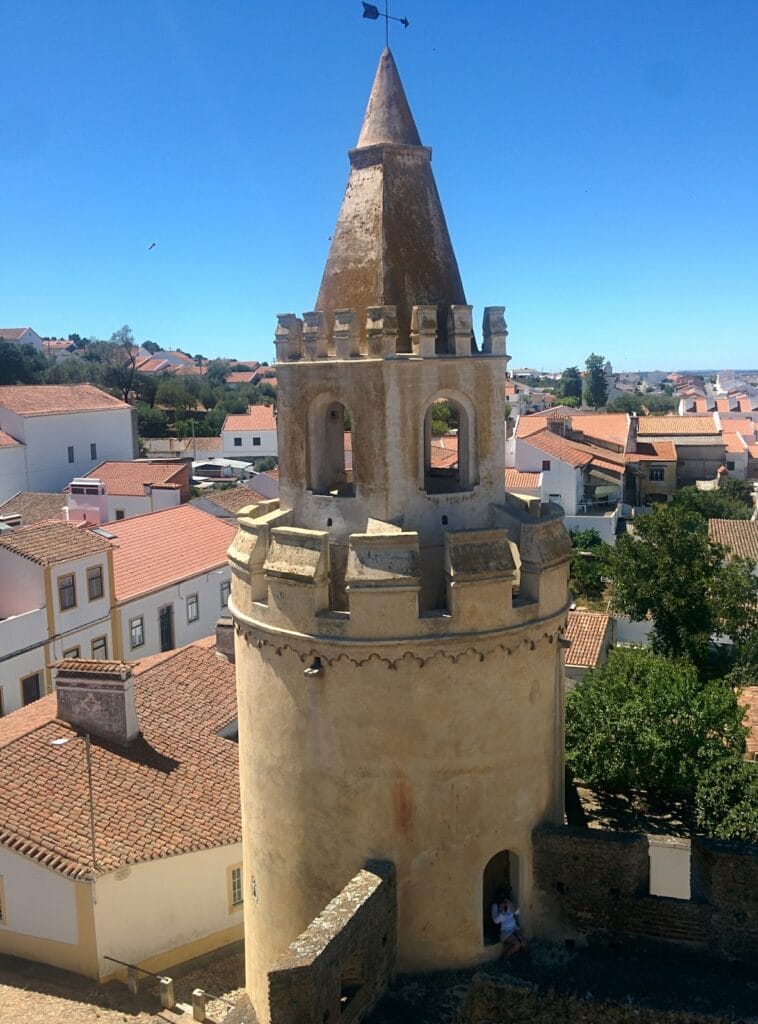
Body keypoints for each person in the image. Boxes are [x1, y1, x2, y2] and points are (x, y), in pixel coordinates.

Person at [491, 888, 526, 959]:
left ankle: (521, 958)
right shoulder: (495, 905)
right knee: (517, 944)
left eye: (505, 896)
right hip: (505, 932)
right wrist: (502, 912)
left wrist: (511, 905)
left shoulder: (508, 902)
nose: (504, 898)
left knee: (524, 943)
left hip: (514, 928)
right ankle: (505, 957)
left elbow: (517, 912)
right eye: (502, 897)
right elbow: (496, 921)